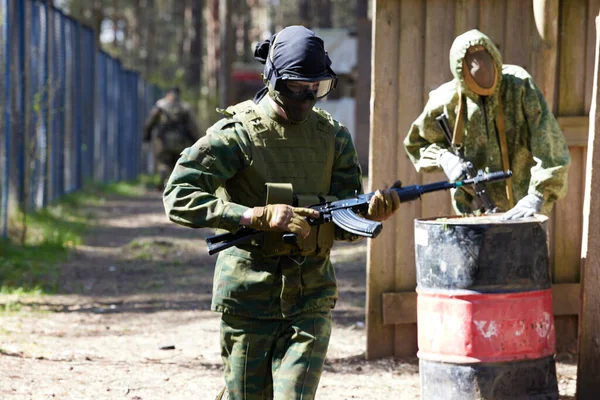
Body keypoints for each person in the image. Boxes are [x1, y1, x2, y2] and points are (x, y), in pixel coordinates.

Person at [162, 26, 401, 400]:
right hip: (249, 298)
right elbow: (178, 195)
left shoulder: (333, 138)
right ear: (272, 79)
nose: (306, 97)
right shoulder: (236, 134)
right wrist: (251, 216)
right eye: (295, 86)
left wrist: (370, 214)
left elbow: (343, 221)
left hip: (311, 297)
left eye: (317, 88)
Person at [403, 29, 570, 219]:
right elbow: (416, 144)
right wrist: (444, 158)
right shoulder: (446, 101)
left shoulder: (519, 86)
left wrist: (538, 195)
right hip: (473, 211)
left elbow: (549, 143)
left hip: (524, 211)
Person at [144, 87, 202, 190]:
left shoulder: (160, 106)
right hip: (181, 141)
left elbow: (150, 122)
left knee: (163, 161)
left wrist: (147, 136)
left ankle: (163, 172)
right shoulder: (185, 107)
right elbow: (192, 127)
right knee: (178, 163)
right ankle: (176, 184)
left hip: (163, 141)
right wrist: (196, 141)